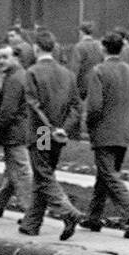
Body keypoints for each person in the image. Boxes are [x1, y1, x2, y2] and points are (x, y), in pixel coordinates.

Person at [17, 30, 83, 239]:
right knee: (42, 175)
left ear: (36, 48)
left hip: (43, 132)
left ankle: (67, 212)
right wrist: (63, 127)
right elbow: (76, 107)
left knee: (43, 175)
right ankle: (31, 223)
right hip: (60, 133)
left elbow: (34, 105)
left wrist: (50, 128)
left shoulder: (33, 72)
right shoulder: (67, 74)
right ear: (53, 48)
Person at [81, 32, 129, 237]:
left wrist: (89, 125)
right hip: (123, 130)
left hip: (104, 131)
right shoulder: (128, 70)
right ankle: (93, 217)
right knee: (106, 175)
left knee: (109, 175)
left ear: (103, 48)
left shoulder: (98, 71)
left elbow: (94, 107)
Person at [0, 44, 34, 218]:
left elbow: (7, 111)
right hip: (27, 131)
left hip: (16, 133)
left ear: (17, 58)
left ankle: (32, 212)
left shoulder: (14, 79)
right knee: (12, 170)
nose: (1, 61)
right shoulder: (21, 75)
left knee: (21, 172)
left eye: (5, 57)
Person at [69, 21, 104, 101]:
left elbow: (75, 69)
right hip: (98, 83)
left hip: (83, 85)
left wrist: (71, 86)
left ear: (81, 32)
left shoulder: (79, 47)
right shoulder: (99, 46)